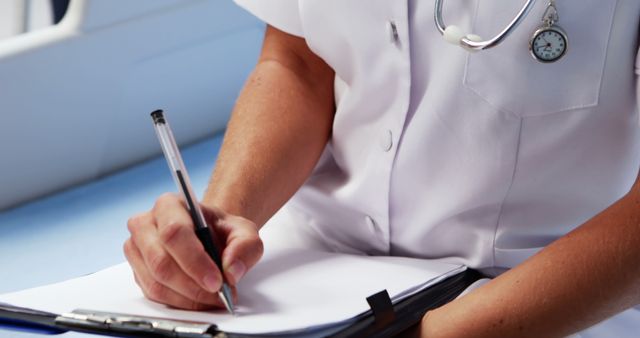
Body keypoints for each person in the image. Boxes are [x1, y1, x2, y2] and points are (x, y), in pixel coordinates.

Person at [123, 1, 640, 337]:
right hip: (304, 283)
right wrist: (221, 225)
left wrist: (447, 333)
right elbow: (300, 62)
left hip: (534, 299)